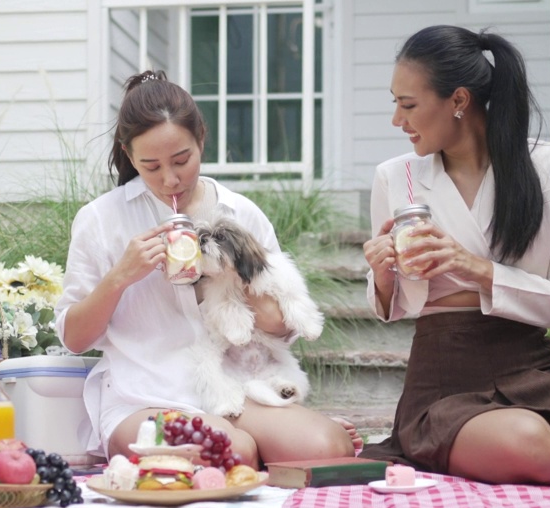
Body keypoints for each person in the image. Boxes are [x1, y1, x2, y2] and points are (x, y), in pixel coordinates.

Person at [358, 26, 550, 484]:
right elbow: (395, 303)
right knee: (537, 451)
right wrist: (383, 277)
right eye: (395, 104)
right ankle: (537, 444)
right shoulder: (395, 176)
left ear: (459, 100)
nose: (397, 121)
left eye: (408, 105)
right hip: (446, 376)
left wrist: (476, 269)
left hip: (531, 360)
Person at [56, 70, 357, 466]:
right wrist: (121, 277)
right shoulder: (101, 219)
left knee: (329, 448)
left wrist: (230, 273)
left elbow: (282, 329)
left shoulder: (239, 213)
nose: (170, 179)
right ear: (129, 157)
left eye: (182, 160)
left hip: (238, 389)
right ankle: (253, 448)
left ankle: (269, 440)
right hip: (144, 394)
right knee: (231, 451)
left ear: (201, 138)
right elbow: (74, 339)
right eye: (150, 166)